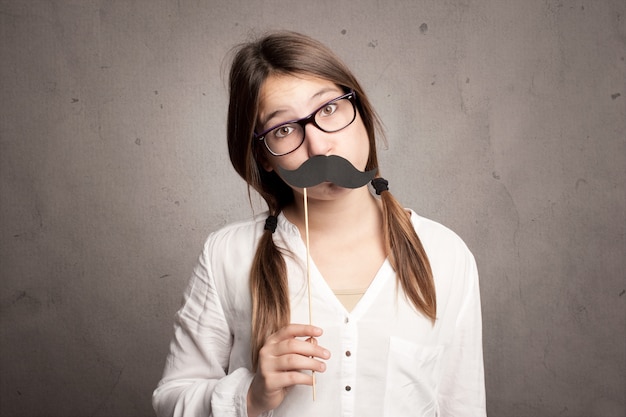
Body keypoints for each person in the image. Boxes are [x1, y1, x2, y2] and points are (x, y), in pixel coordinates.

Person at [152, 30, 486, 417]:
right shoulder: (226, 256)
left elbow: (462, 406)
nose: (319, 146)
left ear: (358, 108)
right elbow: (171, 398)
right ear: (264, 157)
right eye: (284, 129)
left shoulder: (445, 255)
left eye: (328, 109)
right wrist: (250, 395)